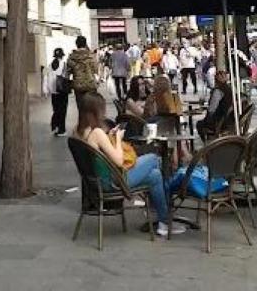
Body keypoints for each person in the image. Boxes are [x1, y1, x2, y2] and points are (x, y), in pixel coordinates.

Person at [75, 92, 184, 237]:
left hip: (99, 181)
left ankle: (162, 221)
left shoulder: (79, 131)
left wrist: (109, 137)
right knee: (153, 159)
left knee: (155, 176)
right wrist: (118, 139)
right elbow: (119, 160)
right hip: (114, 181)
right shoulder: (97, 133)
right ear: (96, 111)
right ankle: (167, 200)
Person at [196, 70, 235, 142]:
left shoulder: (218, 91)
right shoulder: (229, 89)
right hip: (226, 119)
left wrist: (206, 108)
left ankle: (207, 144)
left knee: (199, 124)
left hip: (218, 121)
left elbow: (211, 110)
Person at [65, 36, 100, 103]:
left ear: (76, 44)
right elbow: (96, 69)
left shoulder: (72, 57)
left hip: (78, 85)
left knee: (81, 107)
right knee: (90, 107)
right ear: (85, 44)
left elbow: (68, 72)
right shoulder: (91, 56)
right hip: (91, 84)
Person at [44, 48, 69, 137]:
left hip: (53, 91)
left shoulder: (50, 65)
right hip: (62, 90)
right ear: (62, 56)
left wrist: (46, 90)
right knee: (63, 110)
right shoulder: (64, 64)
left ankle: (55, 125)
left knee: (56, 109)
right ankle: (61, 130)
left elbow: (46, 78)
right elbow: (67, 77)